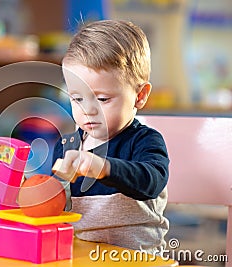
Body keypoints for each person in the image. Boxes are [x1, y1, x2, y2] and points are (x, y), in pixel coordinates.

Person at [52, 20, 169, 253]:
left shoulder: (145, 141)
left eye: (102, 99)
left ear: (140, 95)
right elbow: (56, 206)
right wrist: (33, 192)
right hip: (81, 254)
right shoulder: (67, 146)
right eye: (77, 98)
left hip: (138, 256)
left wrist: (105, 168)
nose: (88, 110)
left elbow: (152, 181)